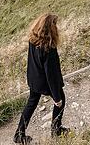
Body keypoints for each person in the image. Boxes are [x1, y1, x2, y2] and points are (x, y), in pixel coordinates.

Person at [14, 13, 69, 144]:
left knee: (31, 104)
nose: (57, 27)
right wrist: (56, 97)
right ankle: (56, 130)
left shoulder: (33, 39)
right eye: (54, 24)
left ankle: (19, 134)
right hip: (44, 81)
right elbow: (51, 75)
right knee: (61, 100)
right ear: (50, 28)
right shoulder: (48, 48)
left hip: (34, 78)